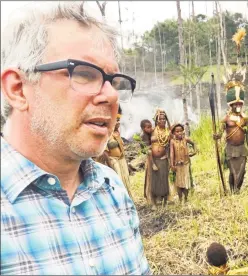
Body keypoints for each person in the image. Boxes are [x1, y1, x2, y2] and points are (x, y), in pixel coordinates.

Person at [1, 2, 150, 274]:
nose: (112, 95)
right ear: (18, 89)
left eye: (114, 81)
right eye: (83, 73)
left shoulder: (112, 191)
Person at [213, 79, 248, 194]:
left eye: (240, 103)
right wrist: (217, 136)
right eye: (236, 104)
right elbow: (220, 133)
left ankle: (237, 189)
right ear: (231, 105)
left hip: (242, 148)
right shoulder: (226, 118)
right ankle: (232, 190)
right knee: (233, 171)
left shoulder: (245, 118)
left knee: (242, 171)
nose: (238, 105)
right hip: (230, 149)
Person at [102, 105, 132, 197]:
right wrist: (111, 165)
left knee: (125, 180)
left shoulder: (117, 133)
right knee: (117, 181)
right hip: (113, 161)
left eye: (119, 120)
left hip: (121, 160)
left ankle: (127, 198)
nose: (118, 123)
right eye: (116, 120)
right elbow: (104, 152)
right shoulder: (106, 134)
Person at [170, 123, 196, 203]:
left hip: (185, 164)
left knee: (186, 181)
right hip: (177, 165)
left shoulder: (185, 139)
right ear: (174, 133)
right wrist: (172, 164)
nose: (179, 133)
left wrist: (194, 151)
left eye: (181, 131)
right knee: (178, 182)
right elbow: (171, 153)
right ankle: (180, 198)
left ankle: (186, 198)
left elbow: (194, 143)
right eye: (177, 131)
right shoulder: (172, 142)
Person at [150, 109, 171, 209]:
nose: (162, 120)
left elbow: (171, 143)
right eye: (160, 119)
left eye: (164, 119)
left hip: (164, 158)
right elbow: (146, 145)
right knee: (154, 180)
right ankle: (154, 201)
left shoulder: (168, 131)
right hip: (153, 159)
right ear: (157, 120)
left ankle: (165, 200)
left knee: (164, 179)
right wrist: (151, 161)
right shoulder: (152, 131)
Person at [139, 119, 155, 202]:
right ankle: (149, 195)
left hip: (154, 155)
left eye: (151, 126)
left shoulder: (150, 132)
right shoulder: (143, 136)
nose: (150, 128)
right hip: (149, 157)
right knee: (150, 175)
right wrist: (153, 145)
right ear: (143, 128)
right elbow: (145, 150)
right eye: (148, 127)